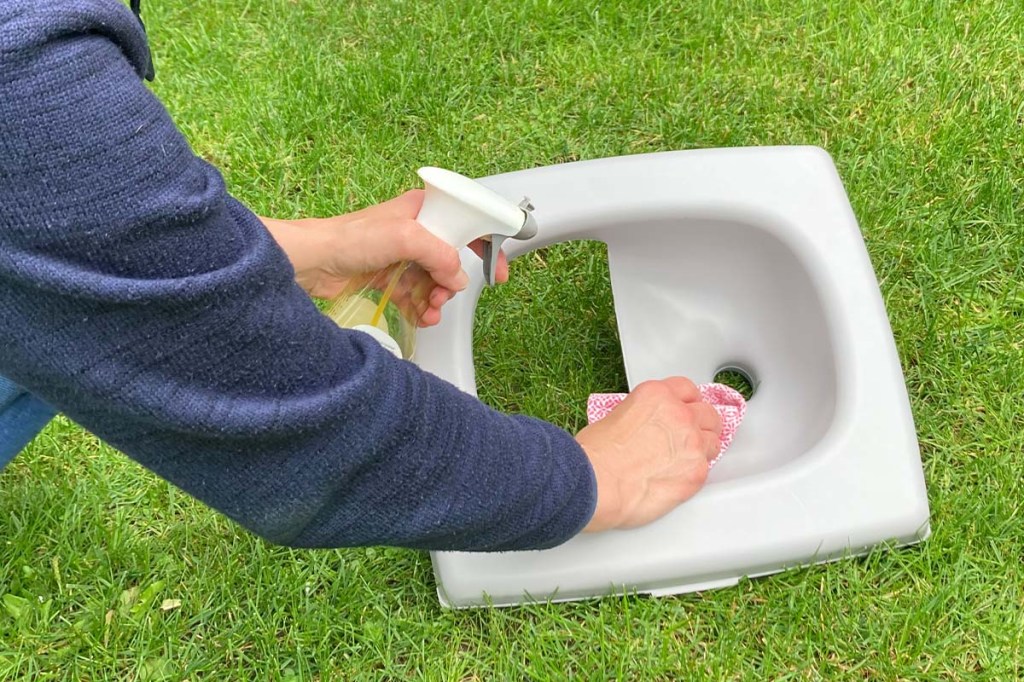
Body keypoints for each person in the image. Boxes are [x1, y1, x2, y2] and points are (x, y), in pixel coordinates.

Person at [0, 0, 721, 552]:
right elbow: (294, 429)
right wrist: (593, 480)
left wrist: (291, 249)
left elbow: (35, 233)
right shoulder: (24, 69)